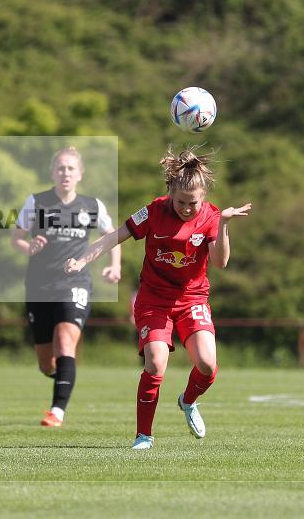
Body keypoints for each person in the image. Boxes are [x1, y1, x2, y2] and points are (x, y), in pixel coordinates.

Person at [66, 146, 252, 450]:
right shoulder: (152, 211)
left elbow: (220, 262)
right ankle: (144, 436)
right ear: (170, 194)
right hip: (154, 300)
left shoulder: (211, 216)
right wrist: (83, 260)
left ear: (203, 198)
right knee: (155, 363)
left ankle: (188, 401)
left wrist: (224, 224)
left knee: (207, 364)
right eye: (181, 202)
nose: (187, 208)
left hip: (192, 298)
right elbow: (115, 235)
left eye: (193, 203)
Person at [10, 146, 121, 427]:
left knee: (65, 342)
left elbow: (111, 237)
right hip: (38, 285)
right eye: (61, 168)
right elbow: (17, 238)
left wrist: (115, 265)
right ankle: (62, 376)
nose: (66, 173)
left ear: (80, 174)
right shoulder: (36, 202)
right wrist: (29, 246)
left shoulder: (92, 206)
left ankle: (56, 411)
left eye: (71, 168)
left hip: (75, 282)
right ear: (52, 173)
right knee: (47, 363)